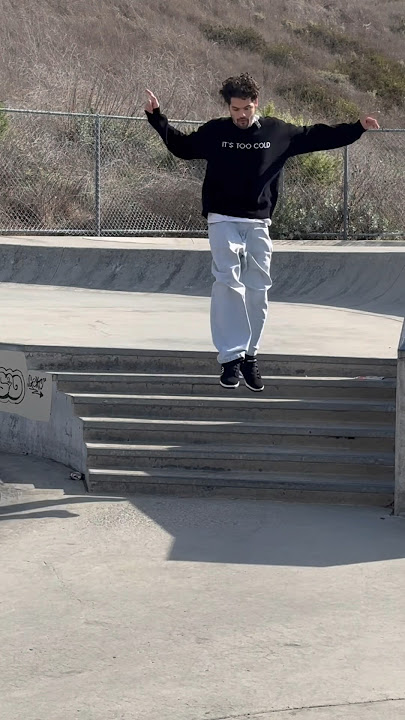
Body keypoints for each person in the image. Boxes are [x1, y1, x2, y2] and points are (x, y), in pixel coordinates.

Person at [144, 73, 380, 391]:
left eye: (246, 108)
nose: (241, 115)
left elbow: (318, 136)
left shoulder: (277, 131)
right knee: (228, 281)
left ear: (256, 103)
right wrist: (157, 118)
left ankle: (250, 357)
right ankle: (230, 359)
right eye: (235, 109)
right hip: (223, 218)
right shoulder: (216, 131)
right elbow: (183, 147)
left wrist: (357, 128)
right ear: (228, 107)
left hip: (258, 221)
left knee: (258, 289)